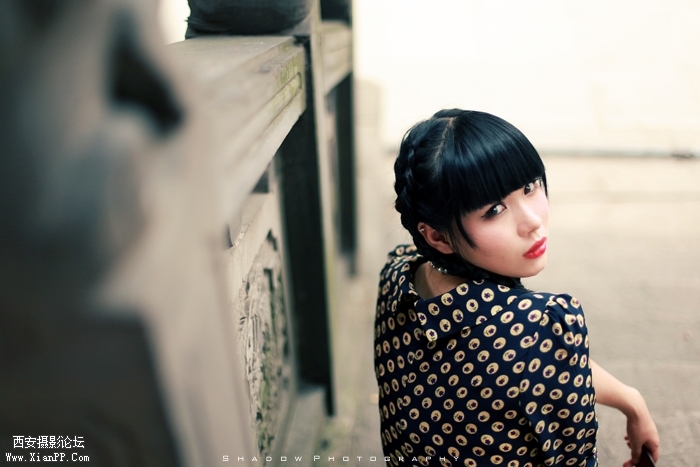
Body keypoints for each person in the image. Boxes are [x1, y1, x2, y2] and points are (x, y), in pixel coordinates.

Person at [374, 109, 659, 467]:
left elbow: (544, 362)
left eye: (529, 187)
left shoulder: (398, 274)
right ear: (438, 237)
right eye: (495, 210)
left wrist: (631, 400)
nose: (532, 221)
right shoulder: (540, 326)